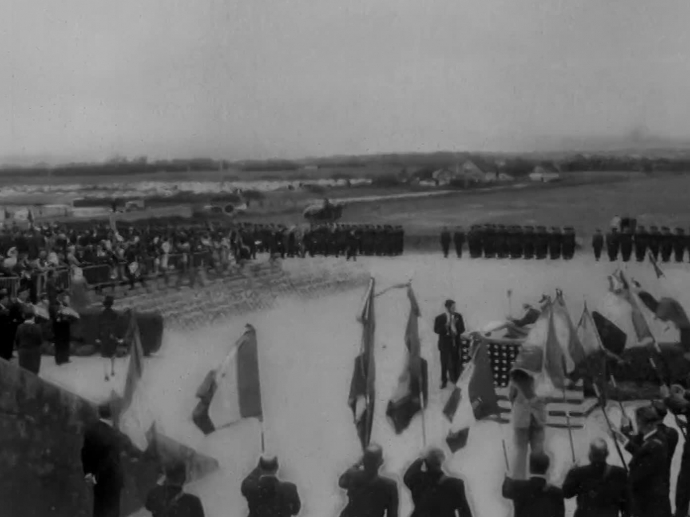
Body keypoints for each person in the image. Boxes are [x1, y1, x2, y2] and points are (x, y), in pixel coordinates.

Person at [82, 404, 141, 517]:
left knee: (99, 508)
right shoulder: (116, 435)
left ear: (99, 413)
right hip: (112, 480)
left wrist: (89, 474)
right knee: (112, 510)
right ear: (112, 415)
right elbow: (132, 453)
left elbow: (85, 453)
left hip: (96, 479)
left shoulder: (91, 430)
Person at [612, 405, 671, 517]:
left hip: (648, 501)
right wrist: (620, 435)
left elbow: (637, 475)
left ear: (646, 424)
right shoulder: (657, 437)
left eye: (638, 422)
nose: (637, 425)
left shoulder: (652, 445)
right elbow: (638, 450)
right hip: (655, 496)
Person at [562, 438, 628, 517]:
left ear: (590, 454)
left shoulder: (578, 472)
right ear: (607, 453)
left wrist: (571, 471)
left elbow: (566, 493)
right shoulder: (620, 473)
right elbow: (626, 504)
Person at [403, 447, 473, 517]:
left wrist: (421, 458)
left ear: (426, 463)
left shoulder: (420, 482)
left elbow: (408, 477)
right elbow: (465, 513)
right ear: (441, 462)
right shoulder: (455, 484)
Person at [338, 444, 398, 517]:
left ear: (363, 461)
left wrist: (356, 464)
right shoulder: (390, 486)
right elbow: (393, 514)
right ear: (381, 462)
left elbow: (341, 482)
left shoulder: (353, 475)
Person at [508, 368, 546, 480]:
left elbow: (510, 396)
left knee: (521, 451)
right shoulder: (541, 376)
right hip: (537, 417)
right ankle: (538, 479)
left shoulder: (516, 378)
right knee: (538, 450)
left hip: (521, 418)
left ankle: (519, 480)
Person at [502, 451, 564, 517]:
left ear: (530, 467)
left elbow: (506, 492)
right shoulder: (557, 493)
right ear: (547, 468)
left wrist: (508, 478)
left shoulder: (518, 487)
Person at [433, 300, 465, 388]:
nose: (454, 309)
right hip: (444, 344)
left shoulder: (458, 316)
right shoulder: (439, 318)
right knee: (444, 363)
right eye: (452, 307)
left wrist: (455, 327)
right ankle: (444, 381)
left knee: (456, 361)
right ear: (447, 307)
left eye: (455, 307)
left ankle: (456, 379)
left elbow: (462, 329)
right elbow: (436, 330)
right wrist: (445, 327)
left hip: (455, 343)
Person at [96, 295, 123, 381]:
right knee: (112, 354)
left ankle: (106, 374)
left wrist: (98, 337)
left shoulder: (101, 315)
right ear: (111, 304)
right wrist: (118, 337)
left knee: (104, 356)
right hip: (112, 336)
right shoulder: (115, 314)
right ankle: (112, 370)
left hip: (104, 337)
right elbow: (117, 326)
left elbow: (98, 327)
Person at [14, 306, 43, 375]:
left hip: (23, 351)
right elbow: (40, 340)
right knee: (34, 371)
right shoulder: (37, 327)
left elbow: (17, 340)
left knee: (24, 371)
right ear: (33, 317)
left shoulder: (20, 327)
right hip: (34, 351)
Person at [0, 288, 13, 361]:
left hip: (8, 330)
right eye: (6, 299)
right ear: (2, 299)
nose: (7, 300)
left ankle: (8, 356)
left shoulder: (8, 307)